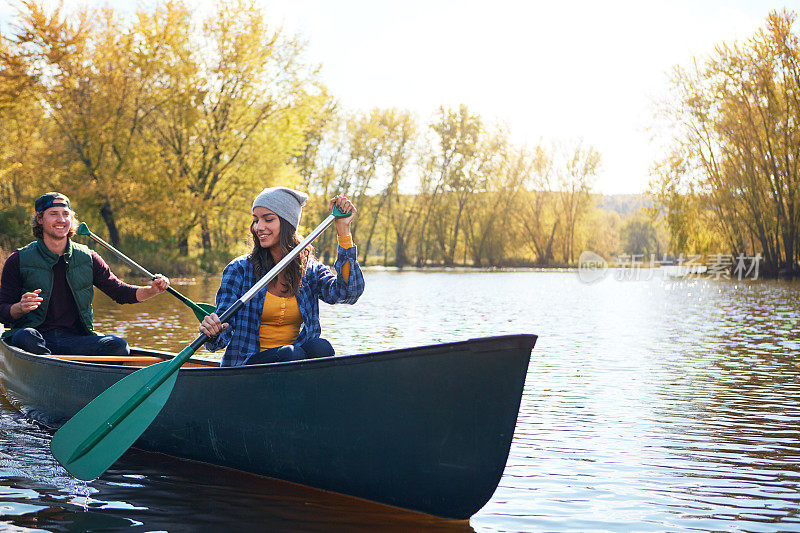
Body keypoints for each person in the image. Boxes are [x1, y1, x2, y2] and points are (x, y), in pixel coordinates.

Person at [199, 187, 364, 366]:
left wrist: (343, 230)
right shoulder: (239, 269)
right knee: (290, 354)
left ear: (287, 223)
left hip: (294, 359)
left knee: (321, 348)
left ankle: (311, 391)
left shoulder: (310, 270)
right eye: (255, 220)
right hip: (247, 365)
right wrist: (214, 332)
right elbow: (220, 338)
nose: (258, 227)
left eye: (268, 219)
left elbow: (348, 293)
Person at [0, 192, 170, 356]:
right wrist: (19, 308)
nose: (61, 220)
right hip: (36, 339)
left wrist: (153, 290)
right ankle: (50, 365)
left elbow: (120, 292)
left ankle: (61, 367)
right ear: (39, 219)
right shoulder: (18, 259)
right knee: (24, 336)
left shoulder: (88, 258)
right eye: (53, 214)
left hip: (77, 340)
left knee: (119, 347)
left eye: (66, 214)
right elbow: (3, 310)